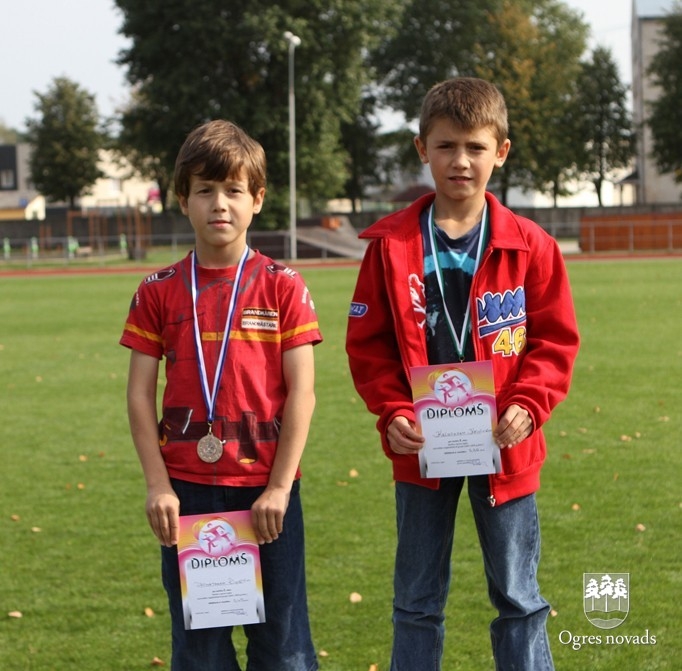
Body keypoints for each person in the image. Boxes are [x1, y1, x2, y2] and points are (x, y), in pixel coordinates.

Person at [345, 77, 580, 670]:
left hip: (507, 442)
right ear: (422, 148)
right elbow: (367, 345)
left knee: (519, 597)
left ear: (500, 151)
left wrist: (529, 402)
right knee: (417, 601)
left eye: (476, 147)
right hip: (422, 447)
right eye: (446, 146)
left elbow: (554, 342)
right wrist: (394, 411)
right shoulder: (391, 246)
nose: (461, 161)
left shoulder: (532, 246)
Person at [121, 120, 321, 671]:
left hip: (266, 493)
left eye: (234, 190)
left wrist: (279, 486)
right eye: (205, 190)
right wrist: (158, 485)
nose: (220, 204)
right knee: (200, 651)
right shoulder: (158, 290)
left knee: (282, 645)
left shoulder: (283, 285)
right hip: (186, 493)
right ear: (183, 199)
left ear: (257, 199)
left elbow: (302, 391)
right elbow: (140, 394)